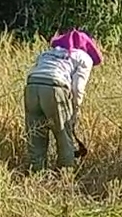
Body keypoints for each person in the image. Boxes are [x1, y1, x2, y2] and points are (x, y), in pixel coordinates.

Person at [24, 29, 103, 172]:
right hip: (55, 87)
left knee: (36, 134)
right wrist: (74, 112)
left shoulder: (46, 53)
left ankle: (35, 173)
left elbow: (35, 71)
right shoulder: (84, 57)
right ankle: (65, 175)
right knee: (63, 135)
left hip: (31, 86)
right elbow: (77, 88)